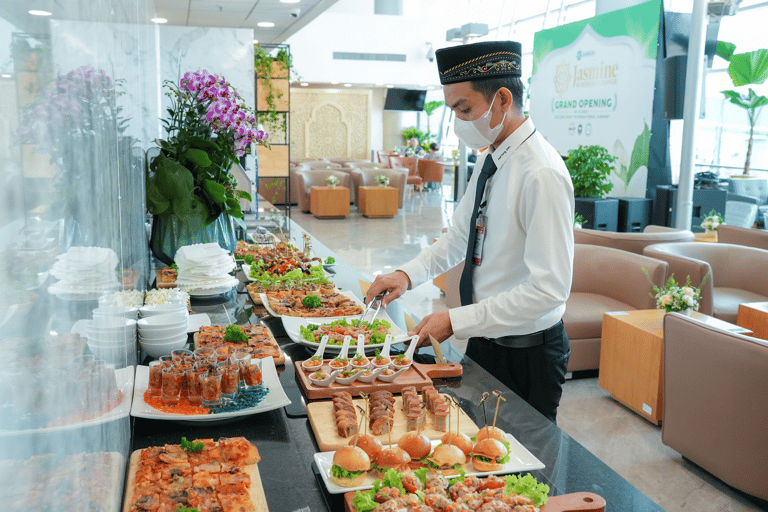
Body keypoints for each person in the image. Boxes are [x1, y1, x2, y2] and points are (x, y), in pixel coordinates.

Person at [365, 40, 574, 423]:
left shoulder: (540, 173)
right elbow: (458, 237)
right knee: (476, 451)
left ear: (503, 99)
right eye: (453, 111)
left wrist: (456, 320)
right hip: (484, 339)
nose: (459, 122)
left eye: (465, 109)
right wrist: (405, 275)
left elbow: (549, 291)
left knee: (523, 466)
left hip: (528, 354)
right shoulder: (493, 157)